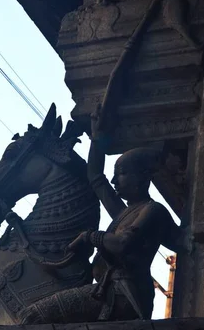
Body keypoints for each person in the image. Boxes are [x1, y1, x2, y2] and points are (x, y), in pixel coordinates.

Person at [18, 105, 190, 323]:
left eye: (122, 174)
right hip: (107, 290)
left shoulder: (152, 211)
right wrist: (98, 138)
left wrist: (89, 236)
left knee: (32, 315)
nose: (115, 181)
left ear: (142, 177)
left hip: (122, 295)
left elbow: (122, 243)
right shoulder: (125, 212)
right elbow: (96, 177)